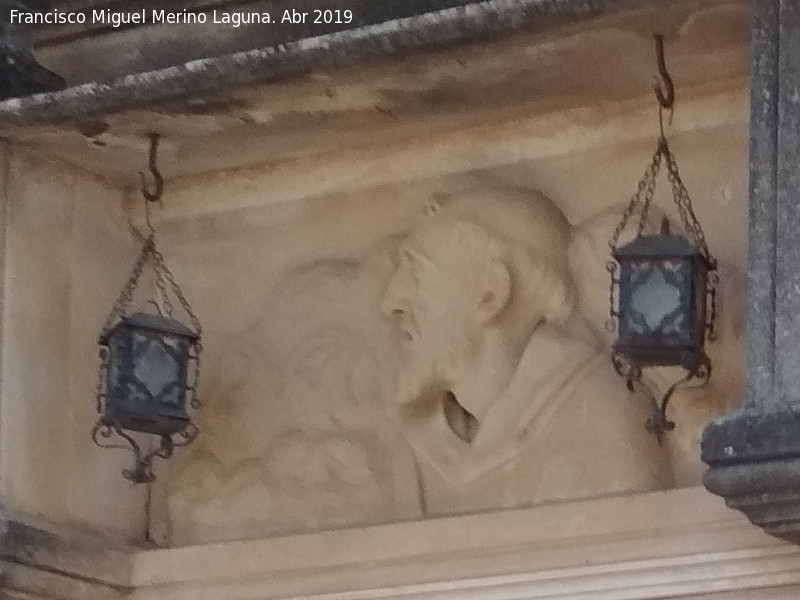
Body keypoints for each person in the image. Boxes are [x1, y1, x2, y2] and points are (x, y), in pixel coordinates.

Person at [381, 187, 673, 514]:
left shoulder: (599, 423)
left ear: (491, 294)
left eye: (416, 272)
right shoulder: (415, 447)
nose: (389, 302)